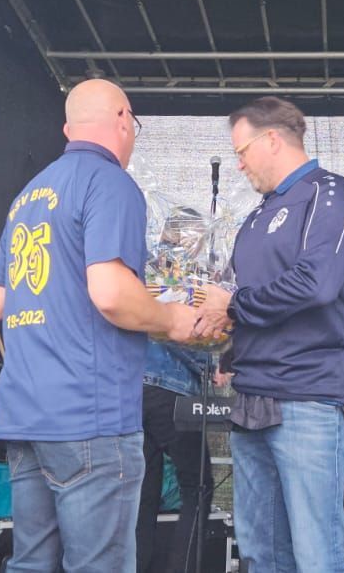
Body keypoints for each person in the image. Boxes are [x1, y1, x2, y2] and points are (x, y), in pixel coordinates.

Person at [0, 79, 200, 573]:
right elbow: (111, 294)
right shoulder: (110, 182)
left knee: (31, 564)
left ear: (69, 129)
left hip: (24, 413)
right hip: (88, 413)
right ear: (124, 118)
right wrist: (172, 318)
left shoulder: (27, 196)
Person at [192, 97, 344, 573]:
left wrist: (232, 305)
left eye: (242, 151)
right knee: (260, 553)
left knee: (317, 556)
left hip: (309, 397)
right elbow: (243, 297)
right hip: (252, 398)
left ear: (271, 139)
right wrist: (213, 329)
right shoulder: (255, 217)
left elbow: (316, 283)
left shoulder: (330, 193)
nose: (239, 164)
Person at [138, 208, 217, 573]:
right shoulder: (179, 274)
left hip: (134, 390)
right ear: (190, 237)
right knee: (198, 486)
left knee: (143, 492)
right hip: (170, 392)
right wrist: (211, 365)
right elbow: (176, 331)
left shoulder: (142, 270)